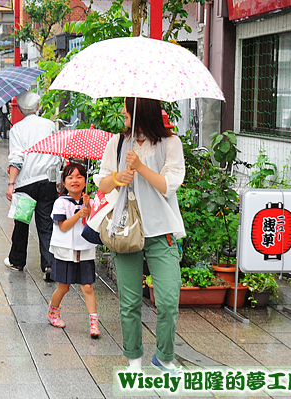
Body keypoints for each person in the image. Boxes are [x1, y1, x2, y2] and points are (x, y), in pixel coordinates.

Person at [98, 97, 185, 373]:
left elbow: (167, 186)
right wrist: (118, 178)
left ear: (141, 111)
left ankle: (163, 357)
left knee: (169, 300)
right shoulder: (117, 143)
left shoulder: (170, 144)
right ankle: (133, 358)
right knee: (130, 301)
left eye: (127, 108)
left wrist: (140, 166)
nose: (123, 113)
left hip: (162, 231)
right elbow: (102, 182)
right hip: (126, 230)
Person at [4, 91, 61, 280]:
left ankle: (17, 261)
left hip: (25, 183)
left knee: (22, 223)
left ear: (20, 109)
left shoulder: (17, 129)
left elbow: (17, 158)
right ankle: (49, 265)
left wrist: (11, 183)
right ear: (37, 107)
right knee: (46, 224)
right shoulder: (50, 125)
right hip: (48, 182)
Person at [47, 163, 100, 337]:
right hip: (65, 250)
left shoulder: (90, 201)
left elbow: (94, 222)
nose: (74, 181)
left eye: (79, 177)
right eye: (70, 177)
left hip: (85, 249)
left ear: (85, 181)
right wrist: (78, 214)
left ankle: (94, 323)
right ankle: (53, 312)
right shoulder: (61, 203)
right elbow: (62, 227)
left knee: (88, 287)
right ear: (64, 183)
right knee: (64, 287)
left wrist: (89, 208)